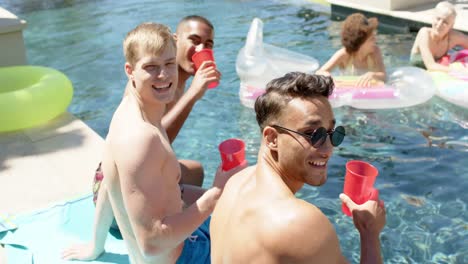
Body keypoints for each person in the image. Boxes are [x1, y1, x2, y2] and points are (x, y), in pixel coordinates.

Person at [63, 22, 242, 263]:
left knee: (242, 208)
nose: (164, 75)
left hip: (181, 241)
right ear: (130, 70)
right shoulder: (141, 139)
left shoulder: (127, 110)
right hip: (185, 257)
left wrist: (96, 245)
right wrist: (215, 194)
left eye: (169, 63)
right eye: (151, 67)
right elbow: (152, 244)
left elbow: (109, 178)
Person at [210, 72, 386, 263]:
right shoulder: (299, 222)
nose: (327, 149)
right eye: (312, 133)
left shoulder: (235, 182)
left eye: (332, 133)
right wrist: (369, 232)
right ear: (272, 139)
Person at [91, 15, 220, 230]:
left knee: (196, 171)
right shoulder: (150, 88)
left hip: (114, 183)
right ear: (175, 40)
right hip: (120, 206)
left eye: (208, 44)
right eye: (194, 41)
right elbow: (151, 141)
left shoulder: (172, 82)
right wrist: (193, 95)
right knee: (224, 205)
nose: (200, 50)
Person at [316, 13, 386, 87]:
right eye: (371, 39)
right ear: (360, 43)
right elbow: (320, 72)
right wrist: (330, 78)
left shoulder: (375, 52)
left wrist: (373, 75)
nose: (375, 40)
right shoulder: (344, 54)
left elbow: (384, 76)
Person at [410, 1, 468, 72]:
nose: (439, 24)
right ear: (433, 18)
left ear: (451, 26)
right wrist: (461, 71)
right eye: (438, 19)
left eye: (445, 22)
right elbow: (431, 66)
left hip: (438, 78)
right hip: (416, 76)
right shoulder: (424, 33)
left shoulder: (452, 37)